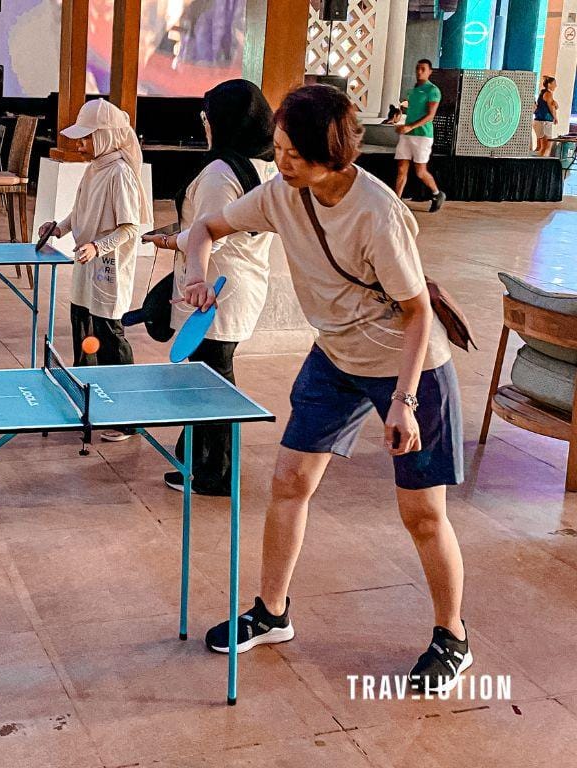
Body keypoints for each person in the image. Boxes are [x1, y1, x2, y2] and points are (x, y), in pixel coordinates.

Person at [178, 84, 469, 693]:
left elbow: (418, 312)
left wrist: (405, 402)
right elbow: (204, 228)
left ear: (331, 158)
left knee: (422, 513)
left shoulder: (377, 213)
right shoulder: (282, 193)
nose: (280, 162)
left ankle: (452, 637)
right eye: (278, 148)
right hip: (335, 357)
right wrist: (198, 278)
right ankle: (272, 612)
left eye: (293, 154)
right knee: (289, 480)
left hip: (408, 365)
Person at [143, 79, 276, 495]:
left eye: (207, 117)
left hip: (215, 291)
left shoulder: (220, 172)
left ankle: (216, 472)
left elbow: (208, 233)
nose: (204, 124)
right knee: (209, 375)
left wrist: (168, 241)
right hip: (240, 286)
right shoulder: (265, 165)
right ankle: (194, 457)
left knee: (213, 381)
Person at [37, 98, 152, 442]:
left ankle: (126, 417)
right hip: (86, 263)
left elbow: (130, 228)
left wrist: (98, 247)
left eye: (86, 138)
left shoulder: (120, 173)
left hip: (108, 268)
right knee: (83, 328)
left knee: (109, 337)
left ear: (104, 136)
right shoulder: (95, 168)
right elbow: (79, 211)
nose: (80, 145)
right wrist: (59, 228)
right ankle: (89, 405)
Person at [393, 59, 446, 212]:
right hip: (407, 135)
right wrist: (399, 118)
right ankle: (396, 201)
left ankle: (437, 194)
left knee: (420, 171)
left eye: (423, 69)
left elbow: (430, 115)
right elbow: (410, 111)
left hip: (423, 136)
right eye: (417, 68)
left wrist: (410, 126)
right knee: (401, 169)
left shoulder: (433, 91)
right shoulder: (412, 91)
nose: (419, 71)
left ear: (430, 72)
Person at [534, 76, 558, 158]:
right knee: (546, 146)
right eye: (554, 83)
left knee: (541, 146)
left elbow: (552, 105)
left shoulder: (543, 93)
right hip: (544, 121)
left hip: (540, 121)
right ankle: (540, 162)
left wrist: (556, 105)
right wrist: (555, 117)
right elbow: (551, 107)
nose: (556, 85)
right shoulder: (548, 94)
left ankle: (539, 160)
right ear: (549, 84)